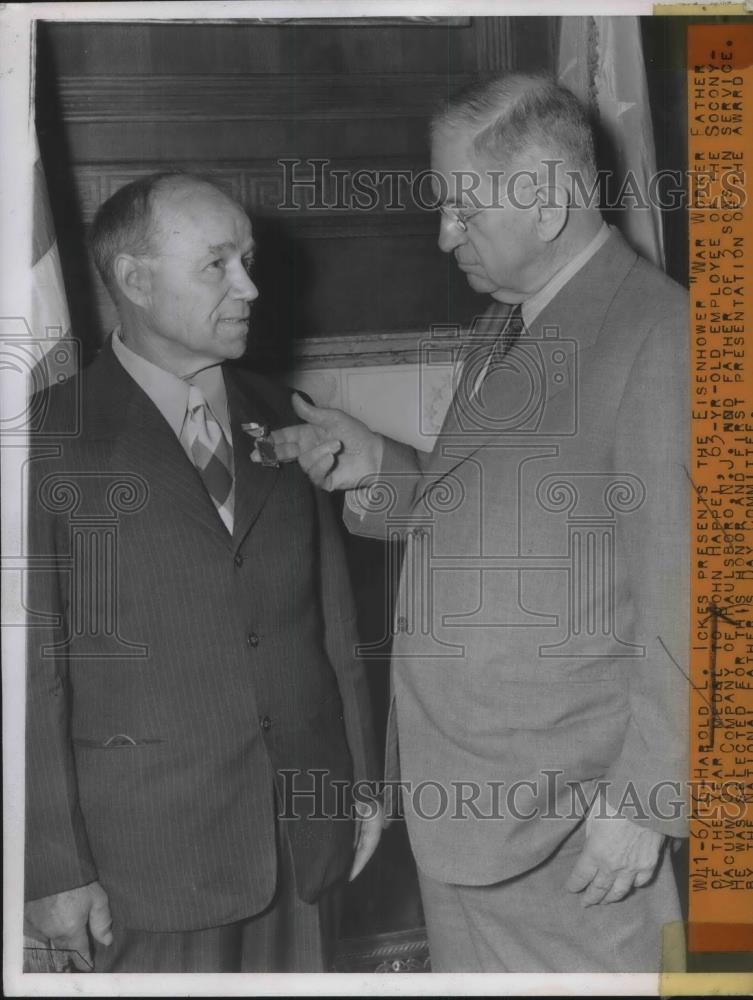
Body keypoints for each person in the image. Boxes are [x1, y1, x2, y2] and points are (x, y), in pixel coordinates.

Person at [265, 74, 689, 972]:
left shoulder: (663, 337)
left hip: (575, 827)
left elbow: (694, 590)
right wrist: (377, 467)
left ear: (547, 203)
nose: (442, 235)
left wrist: (647, 801)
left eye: (463, 210)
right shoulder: (505, 325)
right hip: (465, 796)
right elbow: (508, 518)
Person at [23, 173, 380, 973]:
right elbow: (27, 676)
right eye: (217, 265)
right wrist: (52, 867)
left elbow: (332, 627)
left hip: (302, 840)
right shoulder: (45, 440)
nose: (249, 287)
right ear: (136, 281)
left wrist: (357, 784)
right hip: (144, 869)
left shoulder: (285, 417)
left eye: (247, 260)